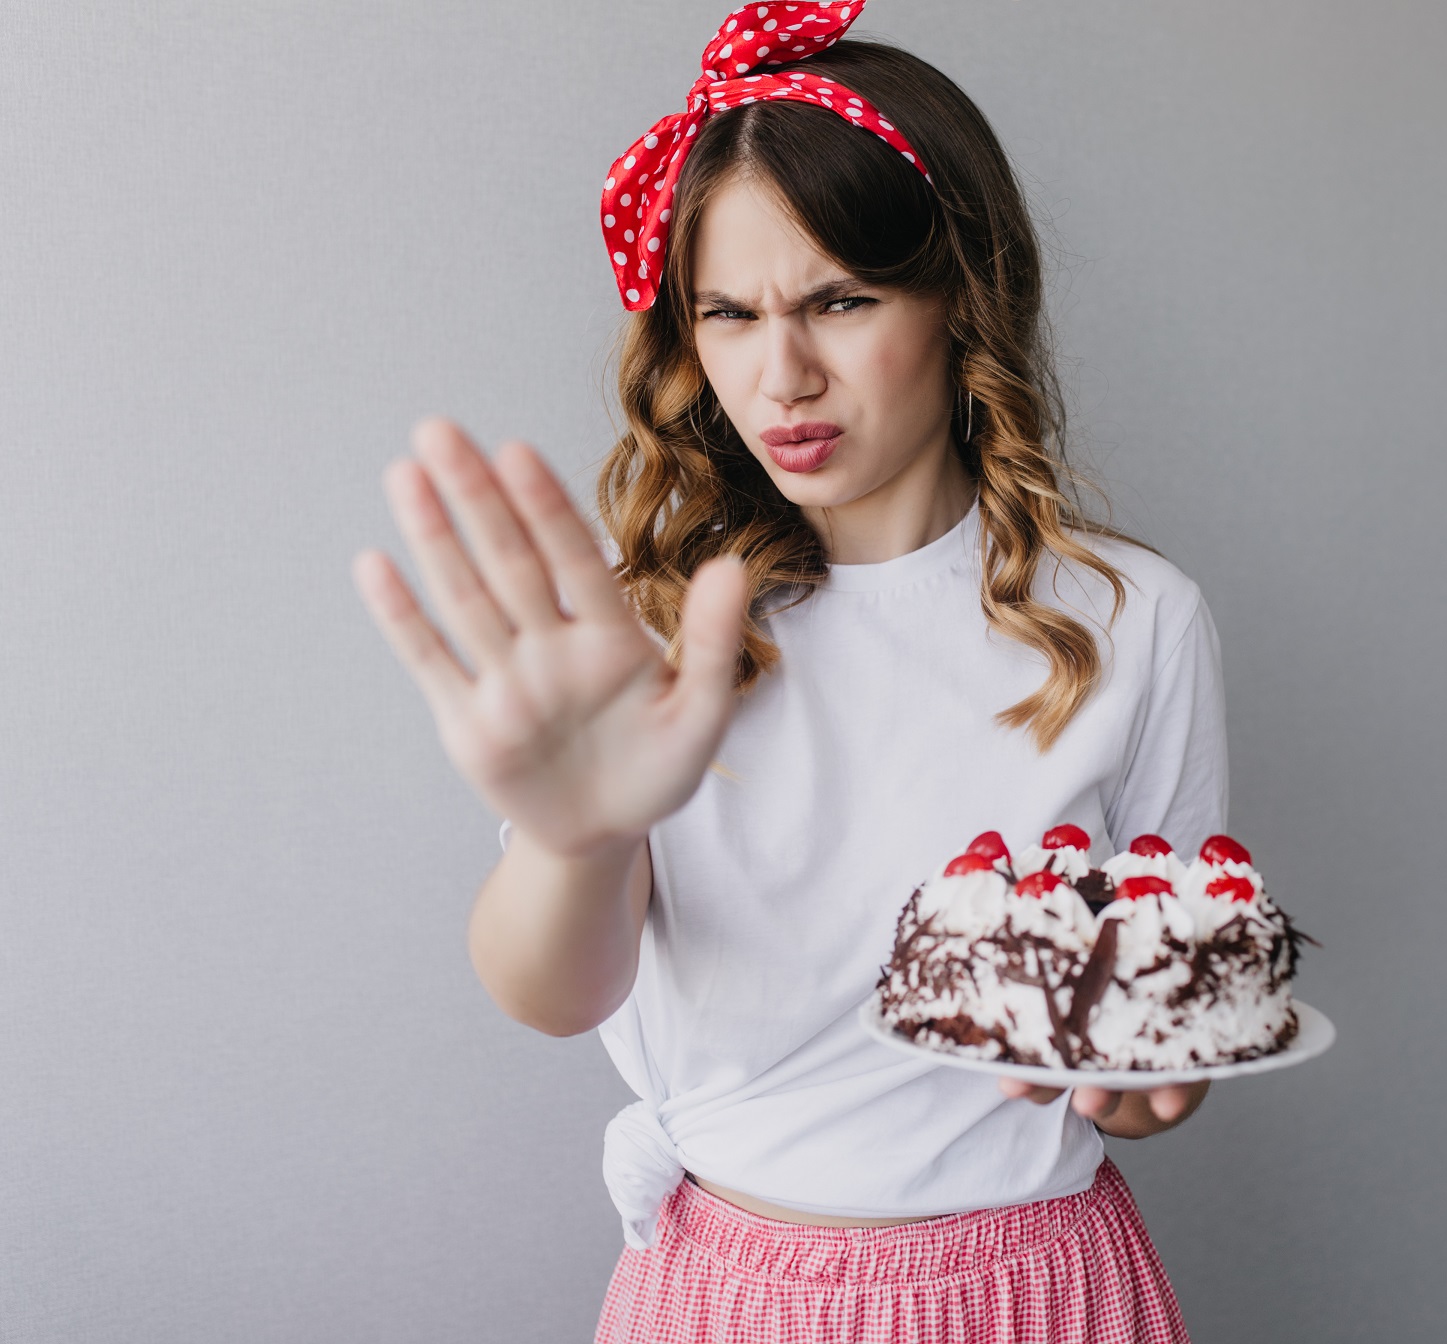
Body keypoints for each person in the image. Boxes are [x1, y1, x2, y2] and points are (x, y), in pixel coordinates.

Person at [351, 5, 1224, 1340]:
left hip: (1038, 1292)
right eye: (731, 314)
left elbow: (1173, 1009)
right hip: (731, 1296)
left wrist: (1155, 1072)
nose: (783, 374)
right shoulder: (642, 616)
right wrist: (574, 832)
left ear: (962, 300)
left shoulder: (1136, 619)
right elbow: (548, 993)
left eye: (839, 302)